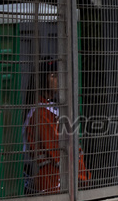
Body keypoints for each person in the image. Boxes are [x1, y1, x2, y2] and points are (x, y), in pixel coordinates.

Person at [24, 60, 89, 194]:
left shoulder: (53, 107)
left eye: (59, 75)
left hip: (62, 179)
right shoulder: (39, 112)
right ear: (43, 79)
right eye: (53, 76)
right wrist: (80, 175)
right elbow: (56, 151)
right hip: (51, 181)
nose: (58, 79)